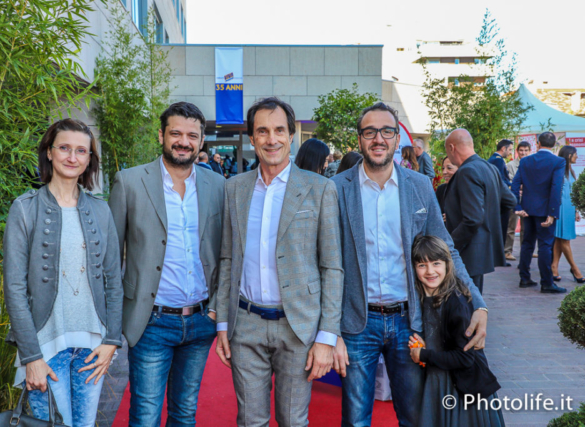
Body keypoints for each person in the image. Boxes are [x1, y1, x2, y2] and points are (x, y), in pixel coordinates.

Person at [331, 103, 487, 427]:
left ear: (396, 137)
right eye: (370, 132)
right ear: (359, 139)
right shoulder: (335, 188)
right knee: (355, 421)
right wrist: (330, 331)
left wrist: (479, 303)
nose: (378, 139)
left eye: (386, 131)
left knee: (416, 418)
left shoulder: (418, 186)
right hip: (356, 323)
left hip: (410, 322)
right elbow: (326, 263)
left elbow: (447, 250)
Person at [215, 97, 343, 427]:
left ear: (291, 135)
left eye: (279, 130)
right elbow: (227, 258)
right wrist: (223, 324)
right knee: (250, 421)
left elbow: (332, 267)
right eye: (262, 131)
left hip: (298, 326)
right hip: (246, 325)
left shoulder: (320, 189)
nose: (271, 139)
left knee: (293, 421)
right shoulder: (234, 189)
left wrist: (327, 336)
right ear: (252, 138)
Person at [108, 102, 225, 426]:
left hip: (201, 322)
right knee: (145, 417)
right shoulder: (129, 182)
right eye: (176, 133)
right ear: (162, 135)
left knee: (184, 414)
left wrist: (216, 308)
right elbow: (110, 257)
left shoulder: (218, 185)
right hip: (151, 322)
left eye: (192, 135)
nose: (183, 142)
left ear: (201, 141)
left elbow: (227, 252)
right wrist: (112, 323)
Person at [3, 118, 123, 426]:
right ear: (49, 152)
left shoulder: (100, 210)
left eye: (81, 151)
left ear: (89, 159)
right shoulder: (25, 208)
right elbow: (14, 288)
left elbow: (114, 281)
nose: (72, 157)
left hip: (93, 345)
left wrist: (111, 341)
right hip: (44, 346)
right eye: (64, 148)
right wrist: (31, 357)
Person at [409, 235, 504, 427]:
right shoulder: (425, 295)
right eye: (422, 265)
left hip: (461, 390)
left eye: (436, 263)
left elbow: (464, 358)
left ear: (447, 264)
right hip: (442, 380)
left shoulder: (456, 303)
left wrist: (423, 354)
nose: (430, 271)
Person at [443, 129, 517, 294]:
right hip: (479, 249)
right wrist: (489, 222)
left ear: (452, 148)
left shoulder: (467, 171)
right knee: (473, 300)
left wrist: (449, 245)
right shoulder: (489, 167)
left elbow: (473, 219)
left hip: (467, 251)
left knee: (466, 303)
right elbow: (510, 201)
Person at [511, 132, 567, 293]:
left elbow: (515, 185)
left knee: (527, 243)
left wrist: (517, 207)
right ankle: (547, 283)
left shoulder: (525, 160)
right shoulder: (558, 161)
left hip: (527, 209)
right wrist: (552, 212)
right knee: (545, 246)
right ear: (554, 145)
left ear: (537, 143)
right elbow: (556, 187)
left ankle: (524, 278)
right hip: (545, 210)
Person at [552, 145, 584, 283]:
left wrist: (576, 211)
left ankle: (554, 266)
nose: (577, 156)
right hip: (560, 208)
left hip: (569, 209)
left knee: (560, 239)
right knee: (564, 240)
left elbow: (572, 193)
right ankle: (575, 269)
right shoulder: (559, 170)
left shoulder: (570, 171)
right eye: (575, 154)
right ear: (569, 155)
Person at [504, 141, 532, 261]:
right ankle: (507, 251)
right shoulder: (510, 165)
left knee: (526, 228)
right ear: (517, 151)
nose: (523, 153)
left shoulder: (532, 164)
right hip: (514, 200)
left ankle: (525, 251)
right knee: (511, 227)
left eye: (526, 150)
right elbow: (507, 182)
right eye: (521, 150)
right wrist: (519, 186)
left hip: (528, 200)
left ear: (529, 151)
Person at [488, 139, 514, 252]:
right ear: (503, 148)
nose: (510, 153)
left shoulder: (493, 159)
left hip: (495, 200)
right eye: (510, 150)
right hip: (500, 200)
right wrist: (512, 186)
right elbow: (500, 180)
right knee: (501, 228)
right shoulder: (498, 160)